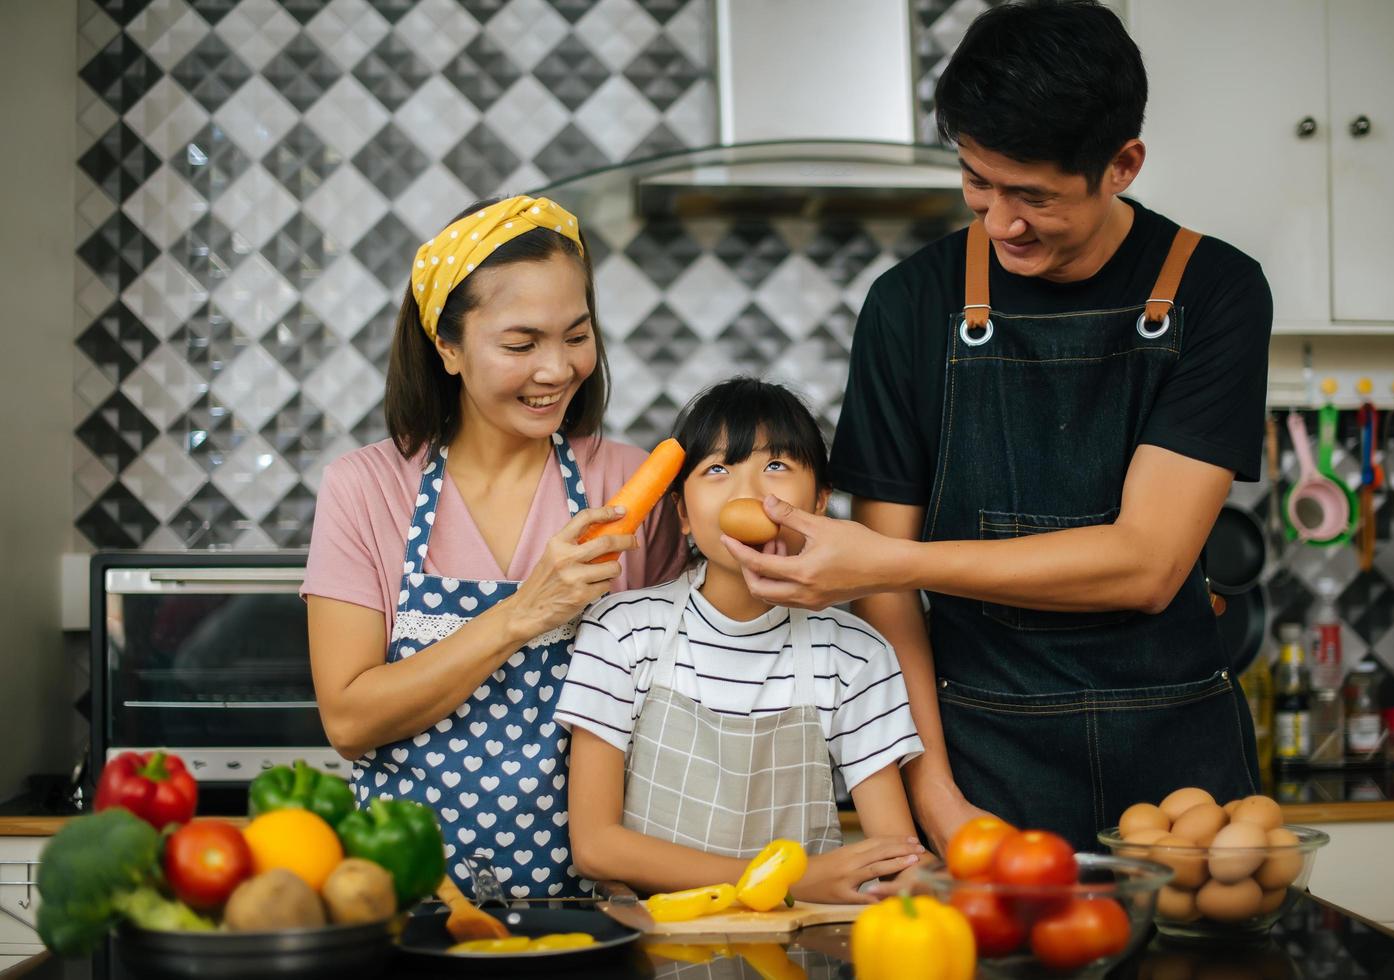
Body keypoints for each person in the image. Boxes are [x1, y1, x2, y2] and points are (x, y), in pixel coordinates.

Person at [721, 1, 1269, 852]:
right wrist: (937, 799)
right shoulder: (910, 304)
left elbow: (1147, 564)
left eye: (1033, 195)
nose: (1000, 221)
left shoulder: (1218, 292)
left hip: (1182, 777)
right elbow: (887, 602)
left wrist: (890, 561)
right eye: (977, 181)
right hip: (982, 768)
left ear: (1121, 164)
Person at [302, 196, 684, 899]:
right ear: (446, 346)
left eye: (576, 335)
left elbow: (678, 700)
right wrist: (523, 614)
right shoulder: (366, 489)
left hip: (605, 905)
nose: (556, 369)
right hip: (405, 901)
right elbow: (349, 721)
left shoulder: (630, 483)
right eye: (520, 343)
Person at [555, 379, 928, 902]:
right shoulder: (621, 633)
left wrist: (922, 876)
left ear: (820, 502)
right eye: (716, 470)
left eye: (776, 466)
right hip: (652, 943)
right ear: (681, 512)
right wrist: (788, 880)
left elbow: (893, 853)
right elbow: (596, 847)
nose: (747, 492)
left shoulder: (856, 655)